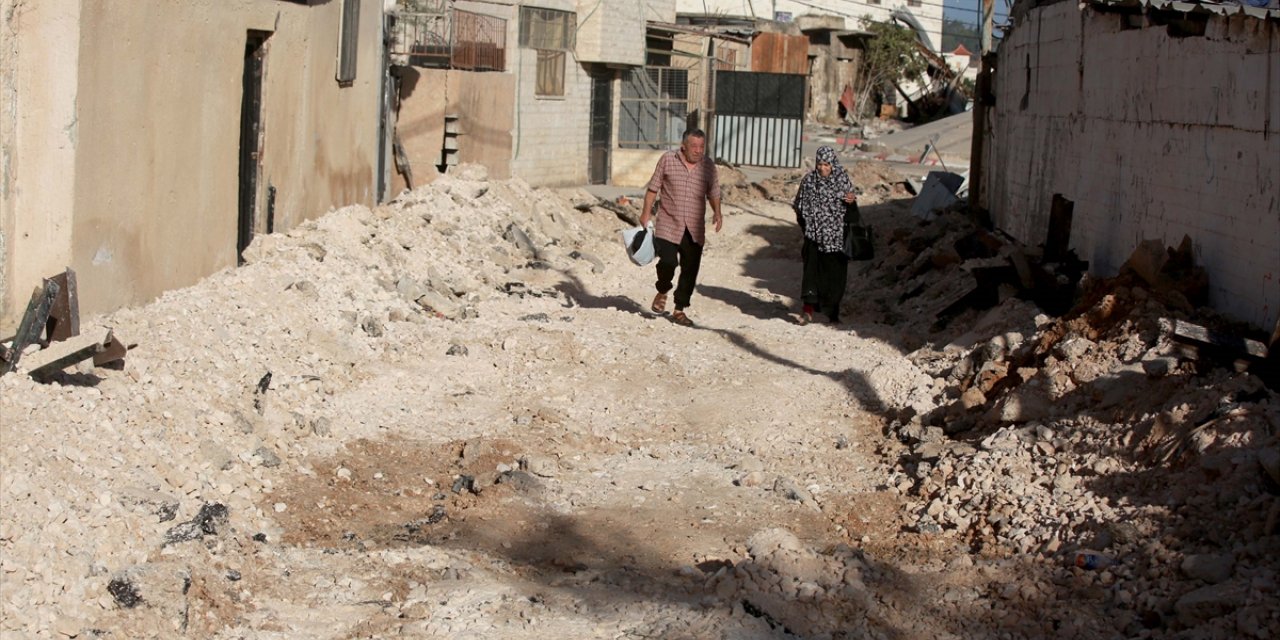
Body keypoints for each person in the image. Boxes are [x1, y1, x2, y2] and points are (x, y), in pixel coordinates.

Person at [639, 129, 723, 326]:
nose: (698, 151)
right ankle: (663, 288)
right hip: (668, 223)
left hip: (694, 226)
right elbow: (653, 189)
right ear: (683, 146)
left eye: (701, 147)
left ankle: (679, 309)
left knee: (690, 269)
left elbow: (714, 192)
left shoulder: (708, 166)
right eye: (694, 146)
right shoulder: (668, 160)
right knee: (668, 262)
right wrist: (645, 213)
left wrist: (717, 213)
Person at [792, 146, 856, 325]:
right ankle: (808, 311)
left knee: (834, 275)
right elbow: (799, 205)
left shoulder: (842, 181)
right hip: (813, 237)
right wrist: (808, 228)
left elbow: (851, 209)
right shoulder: (809, 181)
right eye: (819, 164)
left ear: (833, 164)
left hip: (837, 239)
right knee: (811, 273)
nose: (822, 168)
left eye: (826, 164)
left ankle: (832, 312)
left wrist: (851, 201)